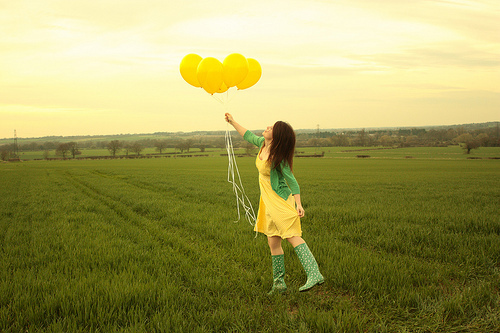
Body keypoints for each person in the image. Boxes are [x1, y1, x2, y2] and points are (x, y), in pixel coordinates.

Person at [225, 113, 324, 294]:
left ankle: (314, 273)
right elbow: (246, 134)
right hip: (267, 201)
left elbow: (292, 181)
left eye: (272, 128)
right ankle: (279, 284)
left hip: (280, 200)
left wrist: (299, 204)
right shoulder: (262, 144)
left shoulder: (278, 156)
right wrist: (232, 122)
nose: (268, 127)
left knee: (291, 235)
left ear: (277, 136)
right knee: (273, 242)